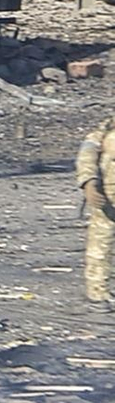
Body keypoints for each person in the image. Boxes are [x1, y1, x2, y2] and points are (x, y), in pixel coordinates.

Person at [77, 112, 115, 308]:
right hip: (108, 198)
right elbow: (87, 154)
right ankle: (97, 293)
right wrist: (88, 182)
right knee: (100, 247)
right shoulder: (105, 130)